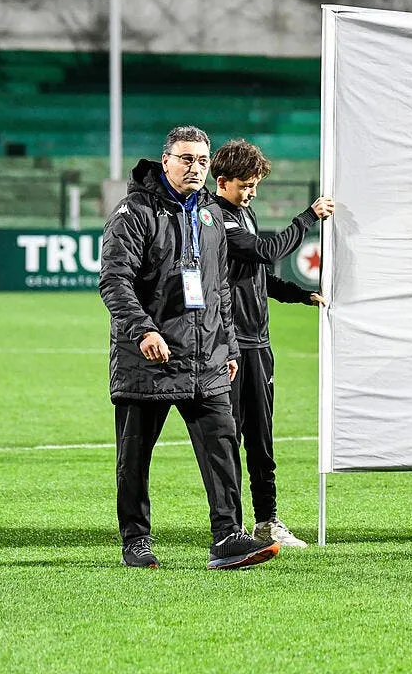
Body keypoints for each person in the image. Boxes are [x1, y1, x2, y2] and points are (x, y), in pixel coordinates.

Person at [100, 125, 281, 570]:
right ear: (165, 162)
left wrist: (232, 347)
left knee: (223, 448)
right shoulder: (133, 212)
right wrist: (144, 330)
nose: (195, 167)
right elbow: (114, 280)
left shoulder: (211, 214)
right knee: (136, 455)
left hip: (208, 358)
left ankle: (227, 538)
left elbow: (219, 286)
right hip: (149, 359)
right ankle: (136, 540)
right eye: (186, 159)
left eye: (202, 160)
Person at [211, 139, 335, 549]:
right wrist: (307, 218)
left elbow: (257, 278)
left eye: (256, 186)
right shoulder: (215, 218)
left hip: (259, 345)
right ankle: (232, 529)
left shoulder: (244, 213)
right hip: (229, 347)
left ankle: (267, 522)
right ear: (222, 180)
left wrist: (300, 294)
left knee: (262, 439)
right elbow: (265, 252)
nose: (251, 193)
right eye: (245, 185)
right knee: (230, 439)